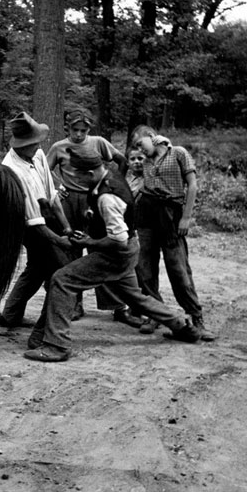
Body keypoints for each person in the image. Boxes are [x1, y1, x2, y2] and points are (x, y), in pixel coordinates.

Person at [23, 155, 202, 362]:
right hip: (125, 251)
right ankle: (181, 325)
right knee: (133, 297)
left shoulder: (108, 197)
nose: (75, 180)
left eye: (78, 176)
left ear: (90, 173)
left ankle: (57, 345)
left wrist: (89, 242)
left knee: (62, 280)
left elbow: (119, 241)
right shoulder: (108, 176)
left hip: (117, 253)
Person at [46, 108, 139, 328]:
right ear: (67, 127)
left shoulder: (98, 143)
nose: (79, 134)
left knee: (102, 250)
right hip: (69, 200)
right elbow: (44, 170)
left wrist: (115, 183)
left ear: (89, 129)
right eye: (75, 129)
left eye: (83, 130)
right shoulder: (58, 147)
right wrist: (58, 186)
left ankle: (117, 306)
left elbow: (120, 160)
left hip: (95, 197)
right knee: (71, 249)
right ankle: (75, 304)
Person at [130, 125, 216, 342]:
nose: (139, 150)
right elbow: (130, 177)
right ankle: (155, 315)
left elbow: (193, 185)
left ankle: (196, 318)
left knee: (178, 268)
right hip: (147, 214)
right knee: (145, 267)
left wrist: (186, 217)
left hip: (171, 214)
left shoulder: (178, 153)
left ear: (152, 137)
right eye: (136, 147)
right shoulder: (146, 161)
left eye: (141, 143)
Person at [0, 112, 73, 329]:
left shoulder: (37, 154)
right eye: (32, 143)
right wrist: (60, 242)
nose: (37, 146)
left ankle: (10, 315)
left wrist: (66, 227)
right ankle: (49, 323)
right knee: (60, 269)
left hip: (45, 219)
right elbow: (34, 224)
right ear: (20, 145)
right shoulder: (13, 169)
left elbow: (52, 194)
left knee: (37, 268)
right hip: (27, 226)